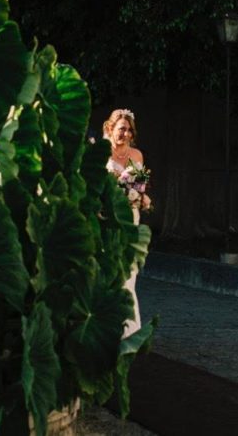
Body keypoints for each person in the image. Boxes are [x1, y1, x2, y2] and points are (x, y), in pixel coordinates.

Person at [103, 108, 144, 336]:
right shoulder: (101, 153)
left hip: (130, 216)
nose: (125, 134)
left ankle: (128, 329)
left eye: (129, 130)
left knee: (129, 271)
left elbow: (139, 186)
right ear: (110, 129)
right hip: (108, 217)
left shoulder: (137, 156)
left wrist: (140, 196)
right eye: (121, 129)